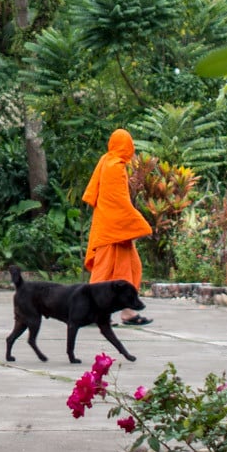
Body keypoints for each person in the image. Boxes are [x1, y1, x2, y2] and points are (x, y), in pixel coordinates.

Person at [82, 128, 153, 325]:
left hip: (115, 228)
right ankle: (92, 312)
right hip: (111, 228)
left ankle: (128, 311)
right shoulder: (114, 166)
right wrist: (137, 223)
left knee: (128, 269)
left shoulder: (108, 161)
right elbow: (118, 201)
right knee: (103, 272)